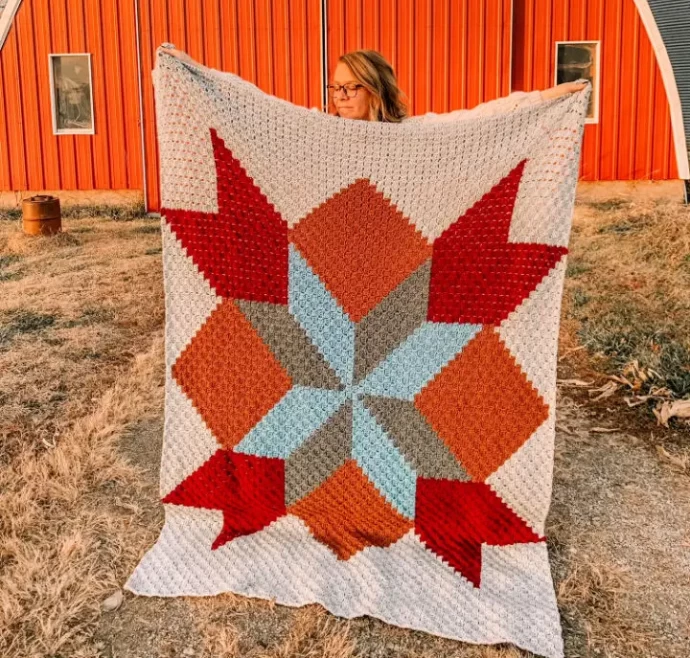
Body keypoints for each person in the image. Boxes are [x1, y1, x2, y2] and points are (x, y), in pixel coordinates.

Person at [159, 44, 587, 124]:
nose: (340, 97)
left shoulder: (413, 135)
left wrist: (545, 98)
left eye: (352, 88)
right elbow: (258, 104)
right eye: (335, 87)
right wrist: (198, 72)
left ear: (376, 91)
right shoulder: (319, 128)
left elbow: (478, 119)